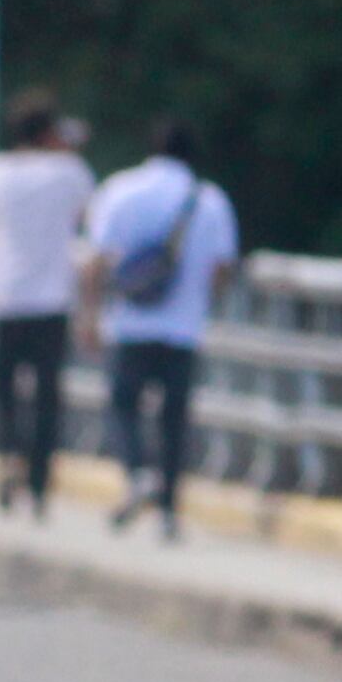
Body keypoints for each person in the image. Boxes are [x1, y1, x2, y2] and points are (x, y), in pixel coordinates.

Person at [80, 121, 239, 536]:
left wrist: (89, 316)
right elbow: (222, 268)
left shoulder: (121, 190)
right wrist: (204, 301)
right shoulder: (209, 200)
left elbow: (96, 261)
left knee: (123, 406)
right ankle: (168, 509)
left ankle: (137, 474)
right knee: (174, 419)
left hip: (128, 324)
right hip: (184, 327)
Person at [0, 95, 94, 516]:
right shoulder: (69, 172)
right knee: (48, 393)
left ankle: (9, 454)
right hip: (52, 300)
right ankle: (39, 478)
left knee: (4, 388)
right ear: (50, 132)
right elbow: (92, 215)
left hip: (5, 297)